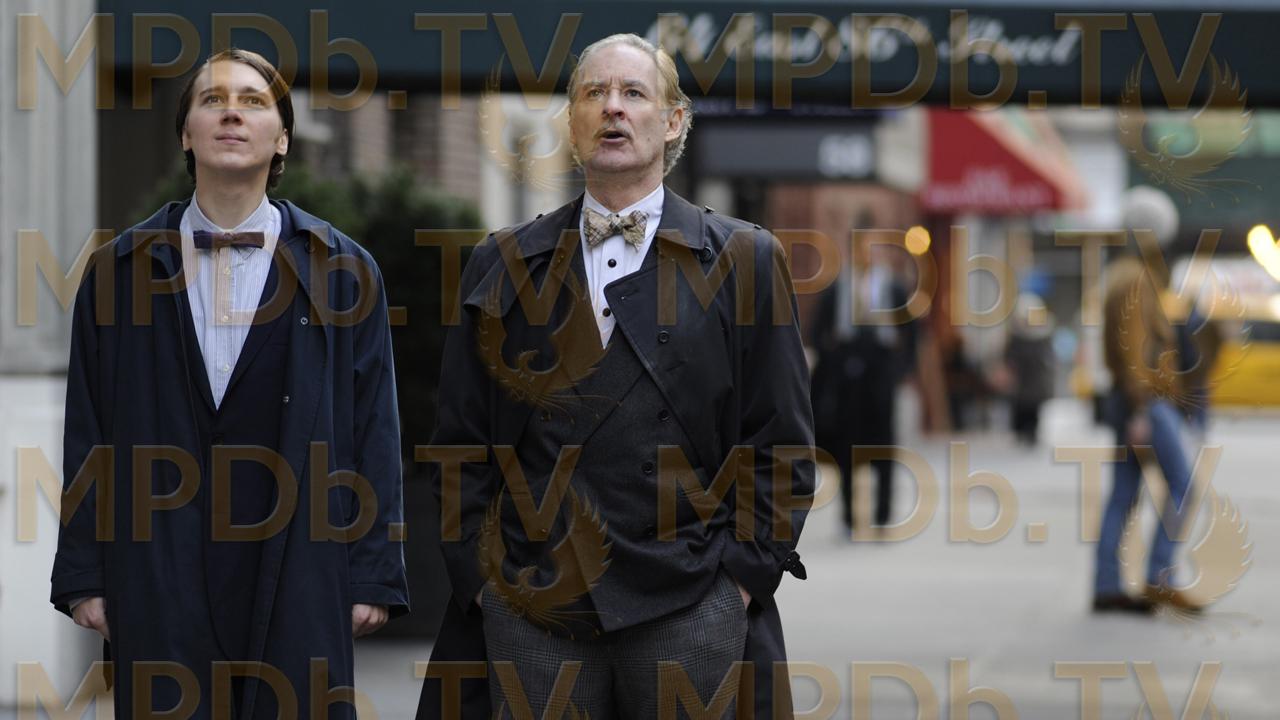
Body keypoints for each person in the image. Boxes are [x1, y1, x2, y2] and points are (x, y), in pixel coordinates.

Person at [418, 33, 814, 718]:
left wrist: (740, 583)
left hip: (691, 602)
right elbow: (459, 441)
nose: (613, 107)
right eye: (594, 93)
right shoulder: (501, 262)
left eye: (634, 93)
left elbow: (781, 442)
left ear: (673, 121)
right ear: (571, 122)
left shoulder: (745, 260)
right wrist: (483, 585)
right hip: (534, 605)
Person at [50, 49, 409, 717]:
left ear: (283, 138)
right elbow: (88, 431)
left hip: (302, 565)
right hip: (158, 567)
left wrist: (374, 573)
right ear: (185, 134)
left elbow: (375, 431)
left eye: (252, 101)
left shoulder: (345, 272)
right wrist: (84, 574)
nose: (232, 115)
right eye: (212, 101)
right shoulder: (116, 273)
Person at [1093, 255, 1203, 613]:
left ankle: (1106, 585)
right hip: (1147, 403)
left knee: (1123, 496)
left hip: (1131, 402)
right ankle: (1159, 575)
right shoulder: (1137, 284)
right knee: (1183, 485)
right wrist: (1140, 409)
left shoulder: (1117, 281)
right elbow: (1135, 350)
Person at [809, 228, 913, 534]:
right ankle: (849, 516)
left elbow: (912, 333)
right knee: (847, 447)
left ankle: (882, 515)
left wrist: (900, 370)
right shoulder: (838, 287)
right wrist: (832, 364)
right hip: (847, 375)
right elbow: (817, 331)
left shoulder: (894, 287)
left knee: (883, 446)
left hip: (881, 372)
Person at [1003, 292, 1056, 446]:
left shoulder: (1043, 335)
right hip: (1021, 382)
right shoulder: (1016, 336)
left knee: (1033, 409)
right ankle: (1021, 432)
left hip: (1035, 381)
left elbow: (1047, 358)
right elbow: (1009, 356)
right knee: (1021, 408)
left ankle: (1031, 432)